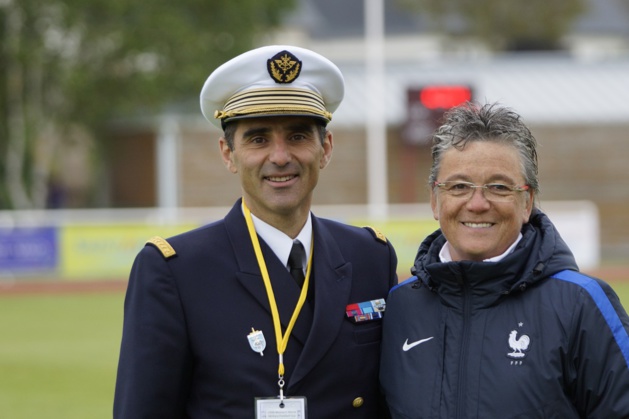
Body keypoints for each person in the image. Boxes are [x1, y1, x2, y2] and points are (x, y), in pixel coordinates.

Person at [113, 45, 397, 418]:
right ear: (228, 153)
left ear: (325, 148)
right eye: (258, 139)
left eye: (297, 136)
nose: (280, 156)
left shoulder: (369, 256)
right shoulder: (174, 271)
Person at [379, 102, 629, 418]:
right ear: (435, 200)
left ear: (527, 202)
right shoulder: (400, 306)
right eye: (459, 186)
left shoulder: (581, 304)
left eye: (498, 187)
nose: (478, 203)